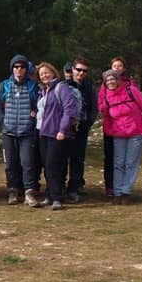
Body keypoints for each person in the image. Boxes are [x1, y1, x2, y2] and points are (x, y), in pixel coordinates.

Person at [99, 70, 142, 205]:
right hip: (118, 135)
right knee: (118, 164)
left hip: (135, 134)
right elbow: (107, 117)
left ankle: (126, 192)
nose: (110, 82)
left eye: (112, 79)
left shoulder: (131, 91)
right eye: (107, 80)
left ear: (118, 80)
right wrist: (110, 131)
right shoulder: (107, 97)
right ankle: (117, 193)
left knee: (130, 164)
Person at [32, 62, 78, 211]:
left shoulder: (61, 87)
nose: (44, 75)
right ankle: (50, 195)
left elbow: (69, 109)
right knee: (47, 166)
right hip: (42, 132)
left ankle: (57, 197)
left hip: (56, 133)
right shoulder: (43, 90)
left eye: (47, 72)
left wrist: (62, 130)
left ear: (53, 72)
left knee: (54, 165)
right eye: (41, 74)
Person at [0, 55, 37, 205]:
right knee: (10, 164)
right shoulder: (5, 85)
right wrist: (3, 121)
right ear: (12, 69)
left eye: (22, 67)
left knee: (27, 163)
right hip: (8, 132)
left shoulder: (32, 86)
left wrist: (34, 116)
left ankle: (29, 192)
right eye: (16, 67)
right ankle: (13, 191)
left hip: (26, 132)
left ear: (26, 69)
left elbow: (37, 105)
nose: (19, 69)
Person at [64, 56, 98, 201]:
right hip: (65, 128)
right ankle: (59, 187)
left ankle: (74, 188)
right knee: (61, 159)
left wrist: (88, 123)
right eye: (78, 70)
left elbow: (94, 107)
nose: (81, 73)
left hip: (82, 128)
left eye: (84, 71)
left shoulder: (89, 87)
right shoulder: (64, 85)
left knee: (78, 159)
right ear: (72, 69)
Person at [99, 57, 130, 197]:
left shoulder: (129, 85)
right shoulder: (105, 85)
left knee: (125, 158)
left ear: (124, 69)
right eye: (114, 66)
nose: (117, 68)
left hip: (126, 127)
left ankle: (124, 187)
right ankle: (110, 186)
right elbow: (101, 103)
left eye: (120, 66)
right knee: (110, 157)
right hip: (110, 126)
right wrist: (107, 109)